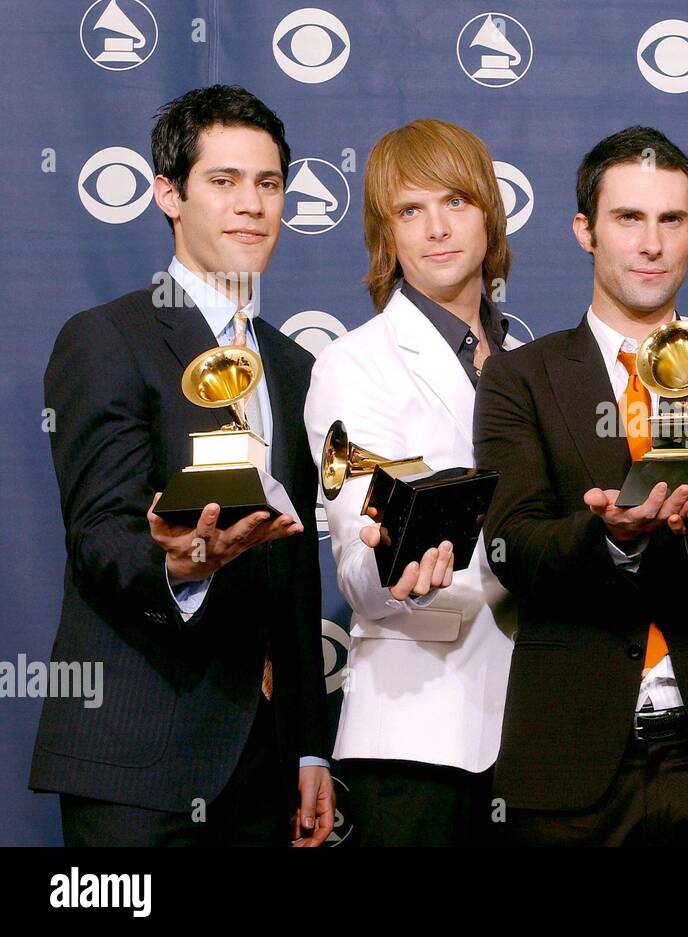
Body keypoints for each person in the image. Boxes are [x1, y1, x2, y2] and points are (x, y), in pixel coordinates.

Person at [473, 126, 688, 844]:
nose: (651, 243)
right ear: (584, 230)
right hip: (571, 763)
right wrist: (609, 538)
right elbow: (512, 548)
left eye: (671, 220)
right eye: (628, 218)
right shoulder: (517, 379)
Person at [32, 85, 333, 845]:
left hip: (262, 767)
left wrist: (306, 743)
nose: (251, 206)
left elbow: (295, 572)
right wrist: (184, 562)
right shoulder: (108, 337)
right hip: (137, 762)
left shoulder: (295, 366)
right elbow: (99, 533)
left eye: (268, 184)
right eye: (223, 182)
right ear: (168, 192)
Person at [304, 119, 517, 846]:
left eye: (456, 201)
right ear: (384, 233)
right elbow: (357, 559)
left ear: (489, 211)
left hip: (539, 731)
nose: (437, 228)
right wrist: (394, 568)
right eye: (409, 210)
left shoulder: (531, 355)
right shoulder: (351, 364)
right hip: (417, 734)